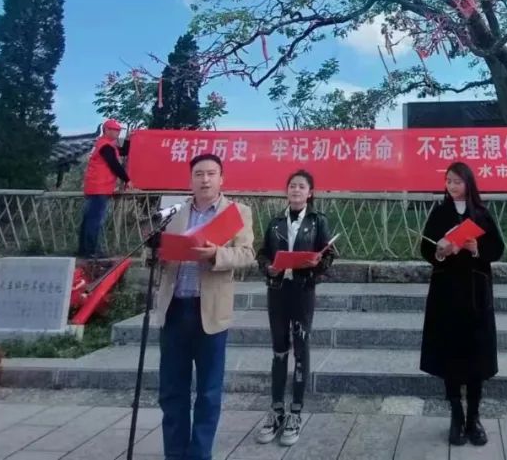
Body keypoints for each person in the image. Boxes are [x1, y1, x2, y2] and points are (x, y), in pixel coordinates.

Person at [155, 153, 255, 460]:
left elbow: (247, 255)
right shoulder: (174, 213)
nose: (205, 180)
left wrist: (216, 255)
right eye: (199, 174)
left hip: (209, 312)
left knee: (208, 392)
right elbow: (159, 254)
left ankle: (199, 454)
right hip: (175, 309)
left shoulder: (237, 212)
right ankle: (175, 453)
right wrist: (156, 253)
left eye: (211, 173)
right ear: (191, 180)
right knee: (172, 390)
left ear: (222, 179)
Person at [419, 162, 505, 447]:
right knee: (450, 355)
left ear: (468, 183)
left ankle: (474, 418)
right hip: (446, 294)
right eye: (449, 181)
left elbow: (497, 249)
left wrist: (476, 249)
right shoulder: (439, 212)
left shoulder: (480, 213)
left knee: (476, 356)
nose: (452, 186)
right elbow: (425, 247)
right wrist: (441, 252)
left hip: (476, 293)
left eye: (457, 181)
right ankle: (456, 414)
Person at [253, 170, 335, 447]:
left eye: (301, 187)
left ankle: (296, 412)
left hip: (302, 291)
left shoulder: (318, 221)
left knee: (301, 349)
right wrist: (269, 267)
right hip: (278, 291)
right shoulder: (276, 221)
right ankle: (276, 410)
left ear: (310, 193)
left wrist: (317, 264)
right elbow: (262, 253)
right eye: (292, 186)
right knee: (279, 349)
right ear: (286, 191)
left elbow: (329, 254)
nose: (296, 190)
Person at [77, 119, 131, 259]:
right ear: (107, 130)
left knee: (89, 220)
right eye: (115, 130)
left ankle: (84, 250)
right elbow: (114, 164)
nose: (117, 133)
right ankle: (92, 251)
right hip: (100, 188)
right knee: (95, 221)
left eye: (118, 130)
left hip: (95, 187)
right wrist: (127, 179)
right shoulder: (105, 146)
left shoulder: (103, 144)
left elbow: (122, 151)